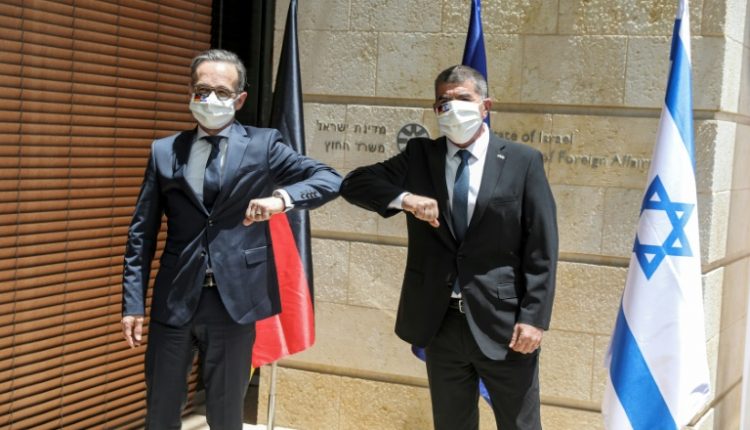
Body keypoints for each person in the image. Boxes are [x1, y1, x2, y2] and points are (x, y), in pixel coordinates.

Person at [121, 49, 341, 429]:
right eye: (202, 90)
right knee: (160, 411)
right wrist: (132, 303)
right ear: (190, 93)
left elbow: (329, 179)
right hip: (174, 300)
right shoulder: (164, 151)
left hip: (234, 303)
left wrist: (280, 200)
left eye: (222, 92)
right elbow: (141, 233)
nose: (211, 99)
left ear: (239, 99)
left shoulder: (263, 145)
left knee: (225, 416)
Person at [340, 65, 558, 430]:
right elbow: (354, 184)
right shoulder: (420, 155)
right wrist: (406, 199)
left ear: (485, 105)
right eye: (444, 101)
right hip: (441, 322)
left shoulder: (522, 161)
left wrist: (533, 318)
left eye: (463, 99)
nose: (453, 108)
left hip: (504, 324)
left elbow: (542, 247)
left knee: (520, 424)